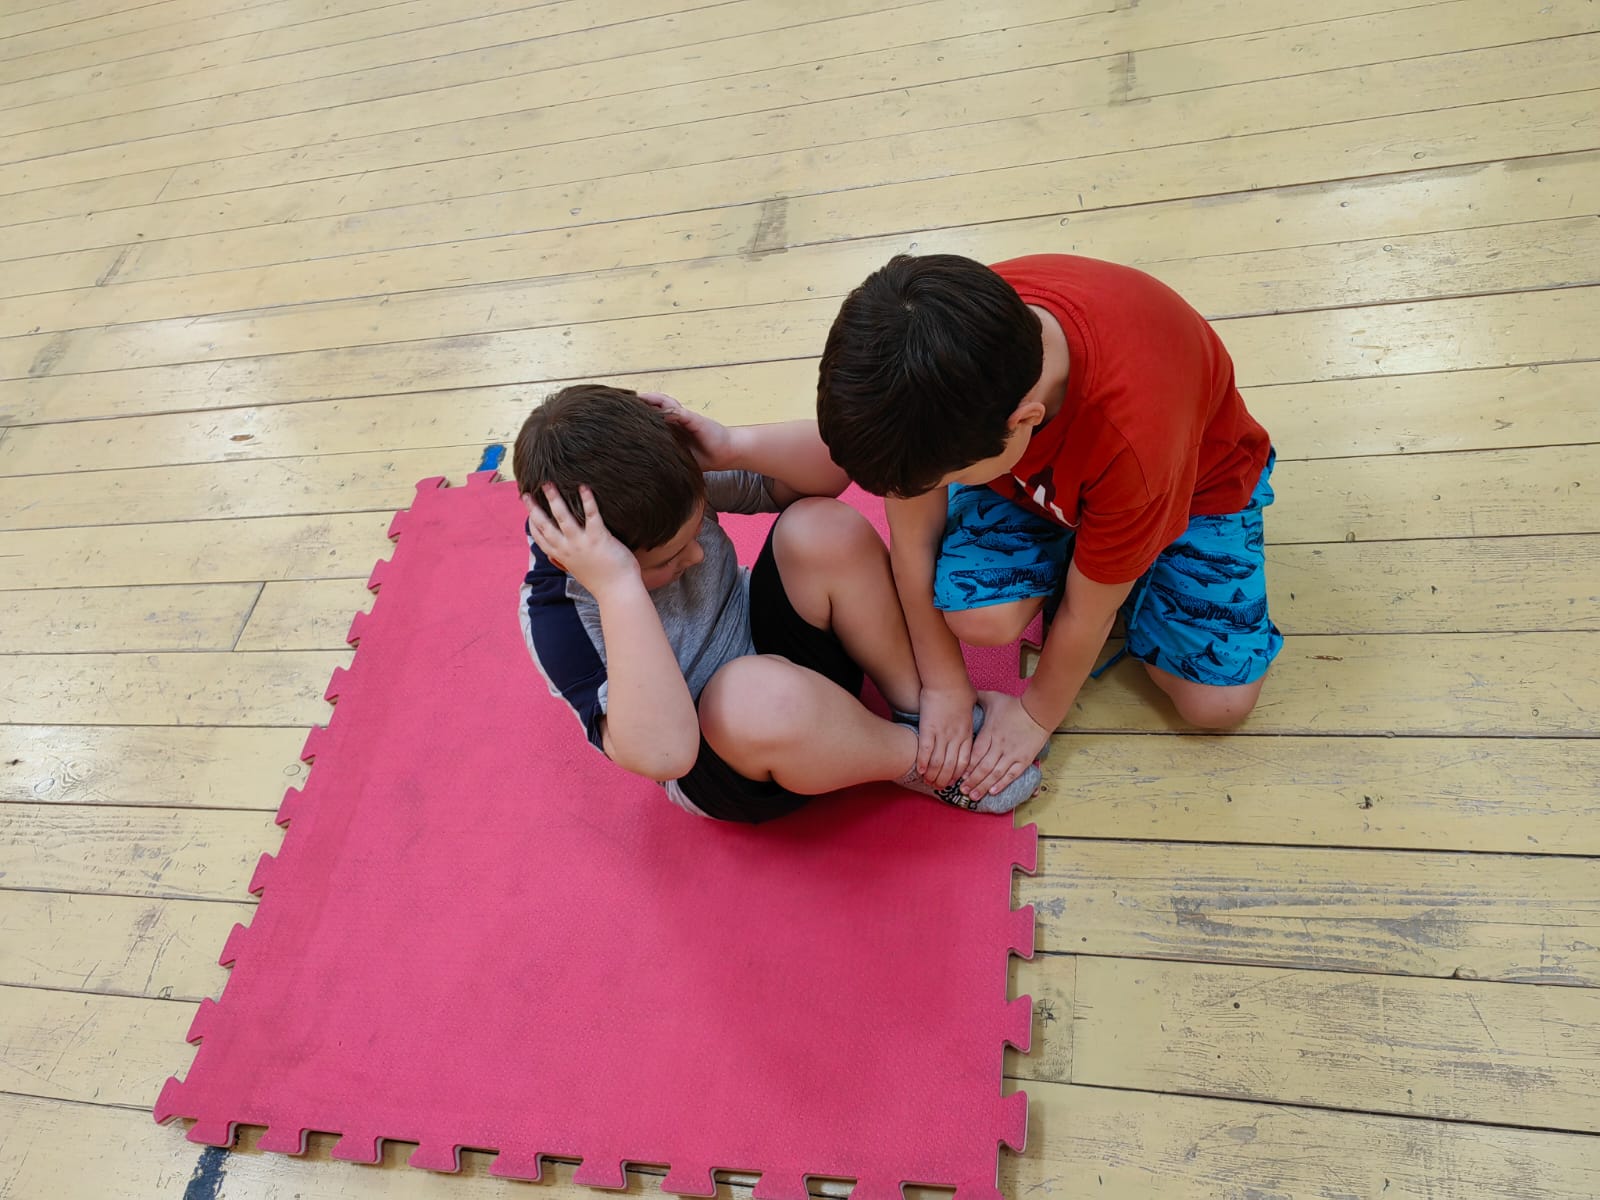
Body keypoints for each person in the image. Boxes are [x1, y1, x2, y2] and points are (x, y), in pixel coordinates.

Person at [816, 253, 1281, 803]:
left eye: (948, 479)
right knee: (979, 616)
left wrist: (1036, 714)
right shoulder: (944, 339)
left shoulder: (1134, 442)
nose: (930, 491)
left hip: (1192, 485)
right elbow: (913, 536)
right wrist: (942, 684)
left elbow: (1088, 611)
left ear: (1024, 421)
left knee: (1217, 704)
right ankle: (1104, 553)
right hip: (1042, 482)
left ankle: (1126, 557)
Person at [513, 383, 1042, 823]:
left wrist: (730, 444)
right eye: (668, 559)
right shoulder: (556, 613)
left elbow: (832, 471)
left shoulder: (664, 484)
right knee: (749, 695)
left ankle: (923, 713)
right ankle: (926, 761)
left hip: (783, 651)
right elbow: (667, 753)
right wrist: (618, 587)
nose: (697, 555)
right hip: (736, 754)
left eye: (695, 532)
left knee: (821, 525)